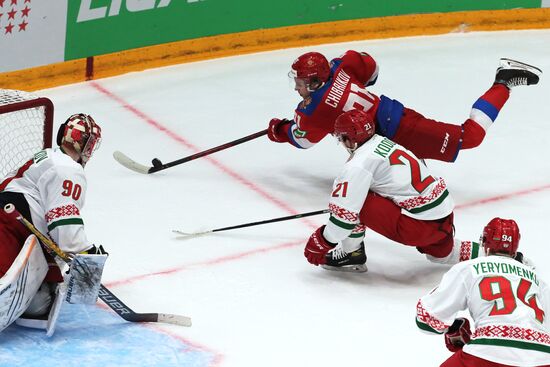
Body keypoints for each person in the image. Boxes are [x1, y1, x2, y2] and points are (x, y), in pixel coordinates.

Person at [268, 50, 542, 162]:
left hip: (396, 129)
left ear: (315, 81)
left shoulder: (312, 112)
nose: (296, 87)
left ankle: (503, 82)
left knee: (469, 137)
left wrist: (279, 130)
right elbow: (372, 71)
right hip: (392, 116)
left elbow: (302, 141)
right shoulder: (342, 64)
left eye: (301, 82)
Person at [303, 109, 480, 273]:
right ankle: (494, 251)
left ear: (350, 139)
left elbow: (343, 220)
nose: (341, 143)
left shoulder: (358, 165)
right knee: (444, 255)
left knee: (356, 203)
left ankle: (351, 255)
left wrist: (323, 240)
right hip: (444, 217)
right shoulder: (385, 141)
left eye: (341, 138)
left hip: (420, 226)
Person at [0, 113, 106, 333]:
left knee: (40, 303)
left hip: (15, 225)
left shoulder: (49, 156)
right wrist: (84, 255)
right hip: (9, 226)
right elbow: (63, 221)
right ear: (84, 144)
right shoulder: (68, 168)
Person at [416, 218, 550, 367]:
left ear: (485, 242)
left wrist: (453, 327)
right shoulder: (537, 280)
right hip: (543, 357)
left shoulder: (469, 268)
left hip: (489, 351)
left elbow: (426, 321)